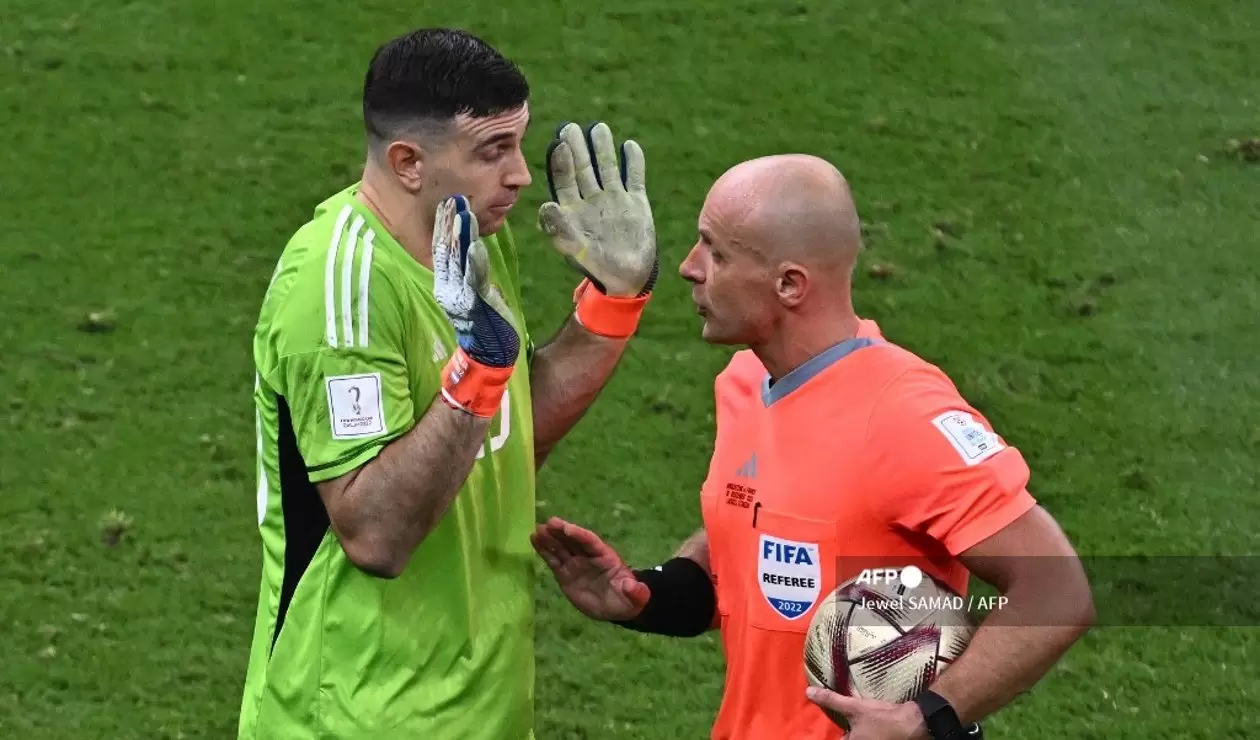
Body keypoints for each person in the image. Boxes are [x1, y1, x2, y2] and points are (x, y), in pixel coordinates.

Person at [532, 154, 1095, 740]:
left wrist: (923, 719)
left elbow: (1058, 588)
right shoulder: (745, 382)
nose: (687, 268)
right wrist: (649, 596)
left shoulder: (903, 416)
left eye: (716, 253)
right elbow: (758, 548)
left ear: (790, 285)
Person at [238, 28, 658, 740]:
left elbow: (503, 439)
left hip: (483, 710)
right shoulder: (338, 286)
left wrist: (611, 306)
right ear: (408, 162)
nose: (522, 176)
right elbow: (375, 535)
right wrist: (477, 374)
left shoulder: (475, 239)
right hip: (357, 716)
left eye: (518, 145)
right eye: (493, 151)